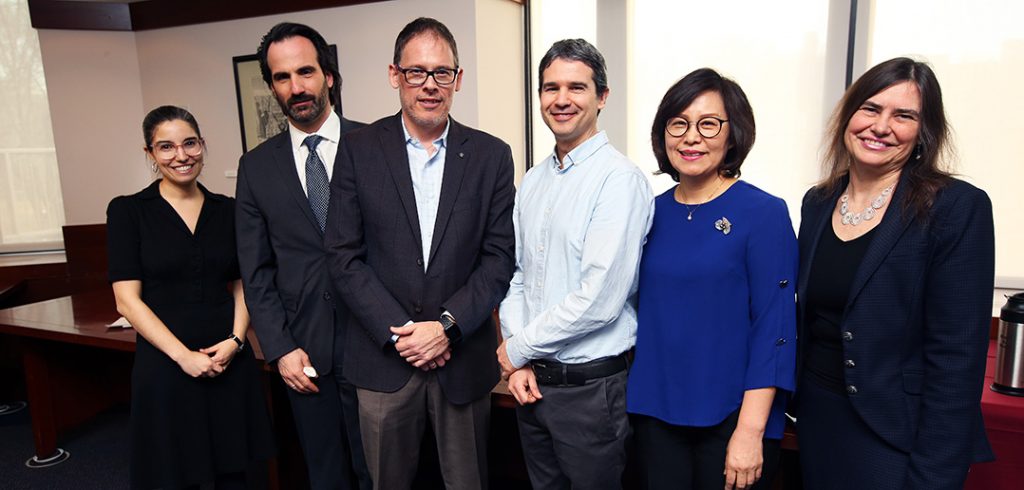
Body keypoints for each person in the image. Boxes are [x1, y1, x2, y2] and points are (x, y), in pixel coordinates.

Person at [325, 17, 515, 490]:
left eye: (442, 73)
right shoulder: (358, 149)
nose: (429, 85)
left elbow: (498, 258)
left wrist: (446, 327)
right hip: (383, 360)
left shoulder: (492, 155)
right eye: (416, 72)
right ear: (395, 76)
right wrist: (405, 335)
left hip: (463, 361)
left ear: (458, 79)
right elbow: (343, 256)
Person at [794, 57, 995, 489]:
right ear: (848, 116)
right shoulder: (817, 202)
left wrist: (935, 475)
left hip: (895, 434)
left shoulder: (954, 207)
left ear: (923, 132)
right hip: (817, 420)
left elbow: (957, 360)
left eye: (903, 115)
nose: (880, 126)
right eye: (870, 108)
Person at [625, 69, 797, 490]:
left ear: (733, 133)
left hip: (732, 419)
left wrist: (750, 431)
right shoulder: (650, 211)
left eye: (708, 124)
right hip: (654, 413)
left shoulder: (764, 213)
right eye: (678, 124)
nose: (690, 138)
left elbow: (774, 329)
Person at [496, 39, 654, 490]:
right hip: (533, 384)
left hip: (591, 391)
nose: (561, 100)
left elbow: (600, 299)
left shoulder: (619, 181)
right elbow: (519, 276)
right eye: (550, 88)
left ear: (602, 97)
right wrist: (520, 360)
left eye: (576, 87)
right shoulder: (532, 180)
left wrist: (519, 348)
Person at [108, 105, 275, 489]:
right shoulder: (128, 212)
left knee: (237, 472)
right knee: (175, 472)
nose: (181, 156)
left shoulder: (230, 209)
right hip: (166, 363)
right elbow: (126, 301)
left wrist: (236, 341)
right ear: (150, 154)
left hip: (228, 358)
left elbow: (242, 283)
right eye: (165, 147)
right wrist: (184, 357)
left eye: (189, 143)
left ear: (202, 145)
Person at [235, 22, 370, 490]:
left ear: (328, 75)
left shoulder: (377, 146)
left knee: (384, 472)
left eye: (306, 72)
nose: (297, 87)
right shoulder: (255, 168)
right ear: (272, 85)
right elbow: (256, 271)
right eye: (282, 77)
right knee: (325, 473)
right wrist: (280, 348)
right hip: (303, 351)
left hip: (376, 344)